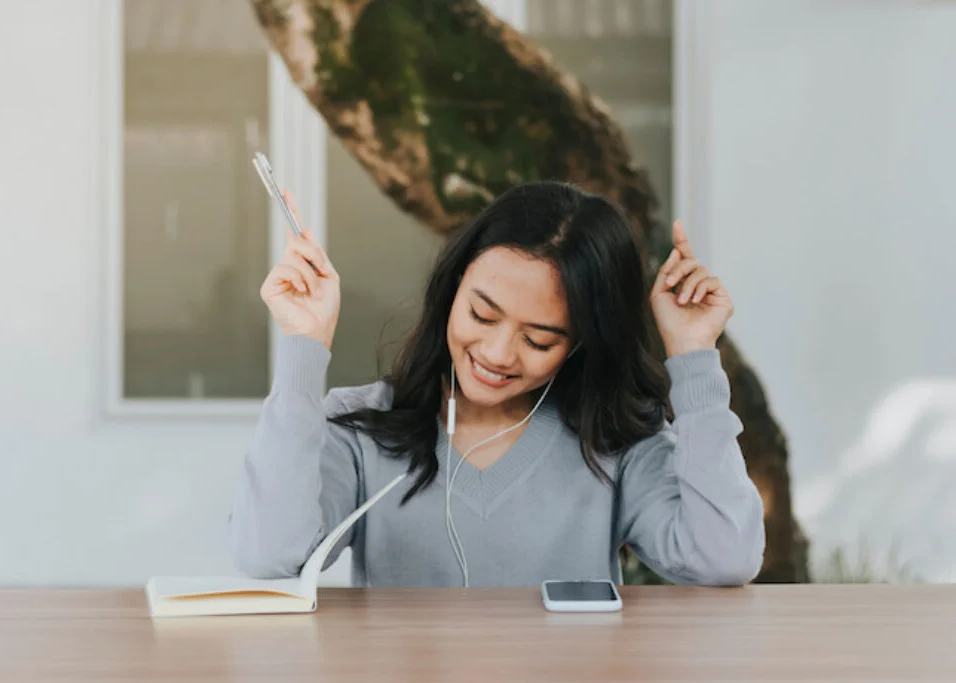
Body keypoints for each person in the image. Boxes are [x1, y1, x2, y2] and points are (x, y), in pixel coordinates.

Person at [227, 180, 765, 588]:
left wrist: (693, 356)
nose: (496, 354)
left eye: (539, 340)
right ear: (453, 287)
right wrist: (304, 346)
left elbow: (723, 556)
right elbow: (268, 555)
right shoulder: (362, 430)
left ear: (581, 343)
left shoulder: (615, 439)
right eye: (482, 315)